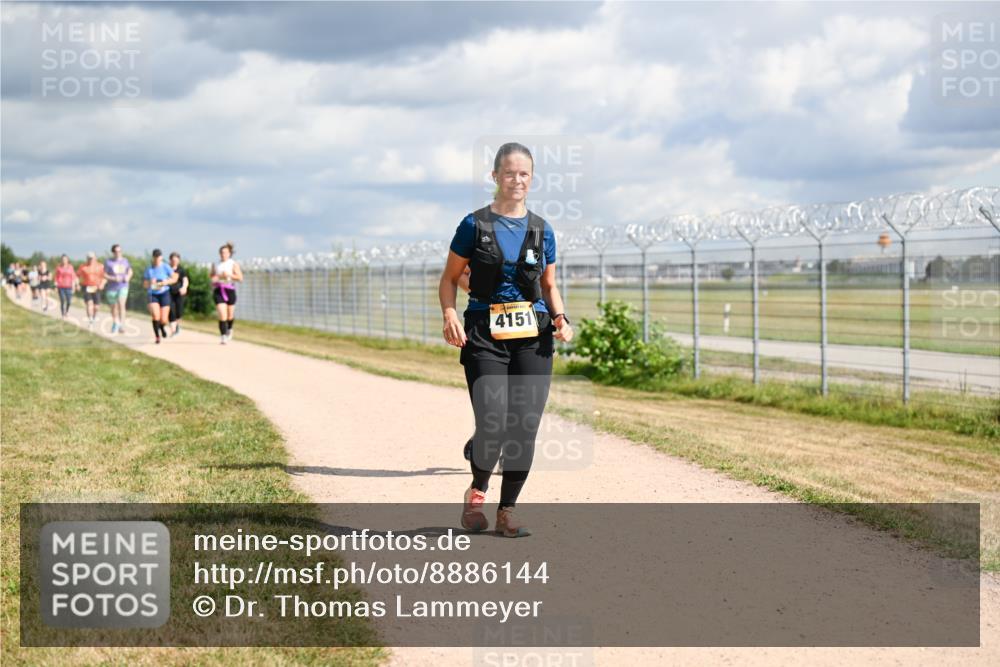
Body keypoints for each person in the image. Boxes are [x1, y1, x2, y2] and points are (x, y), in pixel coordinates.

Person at [439, 142, 574, 538]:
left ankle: (508, 510)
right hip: (484, 332)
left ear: (532, 180)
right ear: (495, 176)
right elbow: (449, 279)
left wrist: (562, 318)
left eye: (524, 174)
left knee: (524, 424)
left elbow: (549, 285)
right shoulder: (473, 225)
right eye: (510, 173)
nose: (517, 180)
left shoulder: (542, 229)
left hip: (534, 334)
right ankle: (478, 489)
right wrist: (449, 313)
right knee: (493, 422)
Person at [210, 242, 242, 345]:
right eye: (222, 252)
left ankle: (230, 328)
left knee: (230, 315)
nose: (223, 254)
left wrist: (229, 275)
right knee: (222, 314)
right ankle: (223, 336)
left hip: (229, 290)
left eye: (225, 252)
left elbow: (240, 278)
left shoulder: (233, 264)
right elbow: (211, 277)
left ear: (229, 254)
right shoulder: (215, 264)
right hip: (219, 290)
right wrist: (216, 278)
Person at [142, 249, 177, 344]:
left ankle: (162, 327)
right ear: (153, 257)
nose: (157, 258)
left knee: (164, 319)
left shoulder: (165, 267)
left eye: (159, 256)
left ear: (161, 257)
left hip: (164, 293)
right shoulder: (149, 269)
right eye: (155, 257)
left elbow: (174, 278)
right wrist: (150, 282)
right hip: (153, 294)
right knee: (155, 316)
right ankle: (157, 336)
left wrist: (166, 282)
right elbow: (144, 284)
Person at [104, 244, 133, 334]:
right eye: (116, 251)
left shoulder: (125, 261)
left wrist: (128, 276)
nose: (118, 253)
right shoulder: (108, 262)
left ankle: (121, 325)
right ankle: (115, 322)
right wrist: (113, 278)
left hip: (123, 286)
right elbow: (104, 274)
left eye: (119, 251)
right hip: (112, 287)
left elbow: (130, 270)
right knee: (114, 307)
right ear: (113, 252)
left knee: (121, 304)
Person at [77, 252, 106, 328]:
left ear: (95, 258)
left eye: (92, 258)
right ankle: (90, 320)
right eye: (89, 258)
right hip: (86, 287)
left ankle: (93, 317)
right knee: (89, 304)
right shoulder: (83, 267)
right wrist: (77, 284)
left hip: (97, 287)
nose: (91, 260)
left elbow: (105, 277)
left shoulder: (100, 266)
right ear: (87, 259)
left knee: (96, 307)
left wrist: (102, 284)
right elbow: (77, 276)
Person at [167, 252, 189, 336]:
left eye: (176, 260)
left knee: (179, 311)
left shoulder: (181, 270)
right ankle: (173, 329)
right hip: (169, 292)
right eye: (173, 260)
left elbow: (185, 280)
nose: (174, 262)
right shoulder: (167, 269)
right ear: (170, 260)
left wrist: (184, 287)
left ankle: (177, 326)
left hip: (179, 293)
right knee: (171, 310)